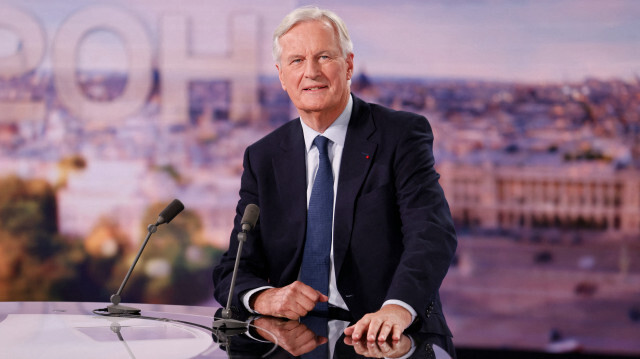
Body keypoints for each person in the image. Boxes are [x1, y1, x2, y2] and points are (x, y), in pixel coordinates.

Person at [213, 5, 457, 351]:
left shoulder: (401, 135)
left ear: (349, 65)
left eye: (324, 56)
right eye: (297, 61)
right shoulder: (263, 156)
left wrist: (397, 309)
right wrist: (265, 298)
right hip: (294, 340)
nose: (311, 72)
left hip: (390, 337)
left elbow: (432, 234)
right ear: (282, 76)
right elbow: (233, 268)